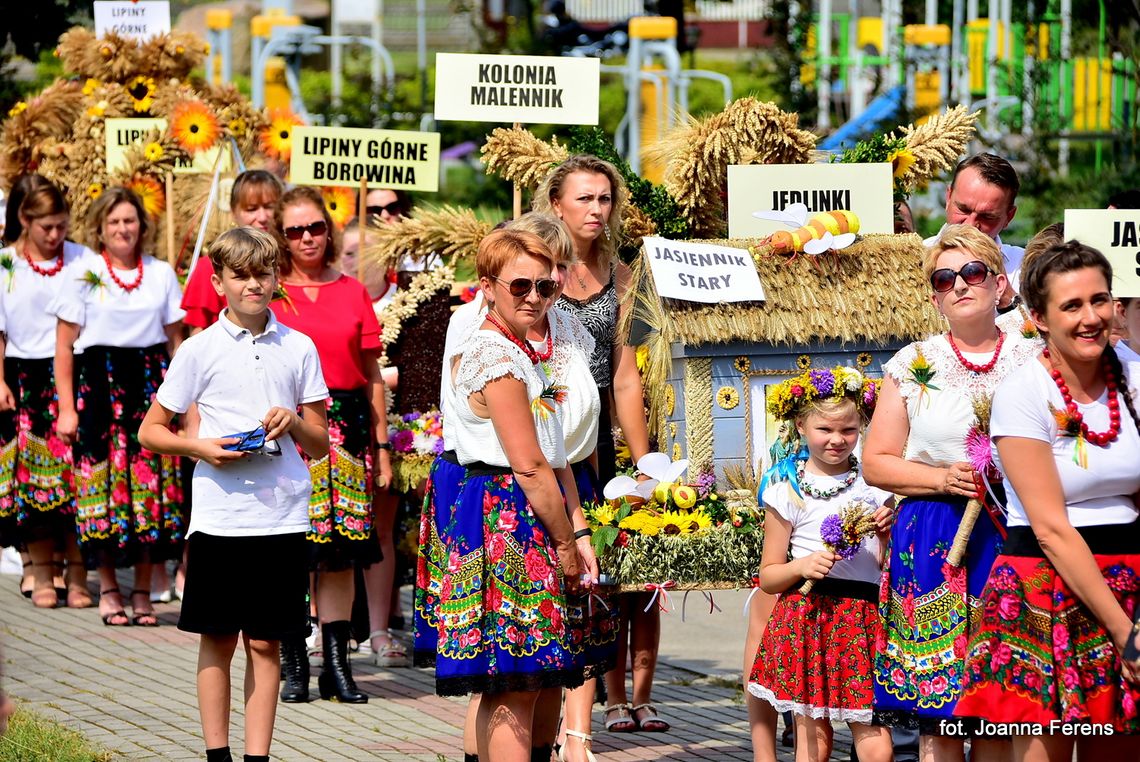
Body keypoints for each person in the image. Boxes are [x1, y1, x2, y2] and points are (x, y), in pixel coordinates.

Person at [138, 227, 329, 762]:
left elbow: (319, 441)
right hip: (221, 518)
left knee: (267, 643)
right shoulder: (199, 349)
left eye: (263, 273)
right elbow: (151, 431)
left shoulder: (299, 346)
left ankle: (257, 757)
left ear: (277, 278)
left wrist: (292, 420)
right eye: (240, 275)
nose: (254, 284)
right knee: (217, 639)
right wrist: (202, 448)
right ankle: (217, 754)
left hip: (284, 517)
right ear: (218, 280)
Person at [955, 241, 1140, 757]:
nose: (1091, 317)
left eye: (1099, 300)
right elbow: (1051, 529)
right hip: (1046, 588)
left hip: (1131, 584)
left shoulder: (1135, 377)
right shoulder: (1024, 393)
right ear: (1038, 317)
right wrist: (1127, 633)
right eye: (1072, 306)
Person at [863, 224, 1040, 761]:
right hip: (935, 537)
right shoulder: (912, 364)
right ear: (935, 295)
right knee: (939, 710)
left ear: (1000, 282)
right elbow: (875, 461)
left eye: (972, 272)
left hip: (1016, 532)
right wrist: (941, 478)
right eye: (944, 278)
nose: (960, 285)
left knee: (1003, 703)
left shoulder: (1034, 354)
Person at [430, 227, 592, 760]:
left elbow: (557, 452)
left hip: (536, 515)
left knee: (543, 674)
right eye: (520, 286)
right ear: (488, 285)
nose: (535, 298)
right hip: (507, 519)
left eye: (547, 287)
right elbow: (528, 464)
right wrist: (566, 545)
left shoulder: (527, 349)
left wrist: (580, 531)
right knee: (514, 679)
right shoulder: (491, 354)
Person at [533, 155, 661, 736]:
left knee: (605, 571)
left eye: (605, 199)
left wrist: (643, 466)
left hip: (600, 441)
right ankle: (548, 701)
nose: (596, 209)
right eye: (584, 198)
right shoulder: (536, 268)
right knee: (553, 564)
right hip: (542, 431)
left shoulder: (627, 273)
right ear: (556, 204)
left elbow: (627, 375)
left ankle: (591, 704)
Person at [272, 186, 388, 704]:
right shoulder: (271, 293)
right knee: (292, 549)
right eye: (294, 230)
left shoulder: (352, 291)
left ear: (329, 229)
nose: (306, 238)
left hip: (347, 428)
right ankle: (293, 662)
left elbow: (372, 377)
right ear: (281, 236)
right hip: (287, 427)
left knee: (340, 555)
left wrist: (383, 446)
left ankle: (337, 667)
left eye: (315, 227)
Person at [52, 186, 185, 628]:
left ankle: (144, 592)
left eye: (129, 220)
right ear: (101, 229)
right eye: (114, 222)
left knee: (151, 494)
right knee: (105, 493)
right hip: (99, 391)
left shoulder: (161, 272)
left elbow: (174, 342)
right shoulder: (85, 272)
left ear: (142, 226)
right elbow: (64, 347)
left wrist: (182, 403)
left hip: (150, 389)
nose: (123, 229)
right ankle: (109, 589)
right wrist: (66, 409)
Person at [749, 367, 893, 762]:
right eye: (825, 430)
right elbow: (768, 576)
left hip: (862, 617)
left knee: (873, 729)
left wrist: (885, 534)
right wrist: (803, 566)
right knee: (813, 736)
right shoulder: (787, 488)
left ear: (862, 427)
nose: (837, 440)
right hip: (808, 616)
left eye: (848, 430)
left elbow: (887, 565)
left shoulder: (875, 485)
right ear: (800, 425)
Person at [0, 175, 93, 609]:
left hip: (73, 374)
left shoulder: (82, 260)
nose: (55, 236)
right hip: (22, 379)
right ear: (24, 219)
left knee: (75, 480)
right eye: (45, 227)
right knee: (34, 481)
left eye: (61, 225)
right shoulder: (5, 264)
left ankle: (77, 576)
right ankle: (39, 572)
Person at [181, 170, 285, 334]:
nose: (262, 216)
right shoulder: (212, 265)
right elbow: (198, 337)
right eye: (251, 209)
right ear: (233, 212)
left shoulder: (293, 263)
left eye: (269, 207)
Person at [924, 153, 1024, 277]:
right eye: (963, 210)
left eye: (987, 217)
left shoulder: (1025, 269)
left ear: (1009, 217)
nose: (970, 225)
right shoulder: (912, 259)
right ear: (948, 198)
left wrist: (1008, 295)